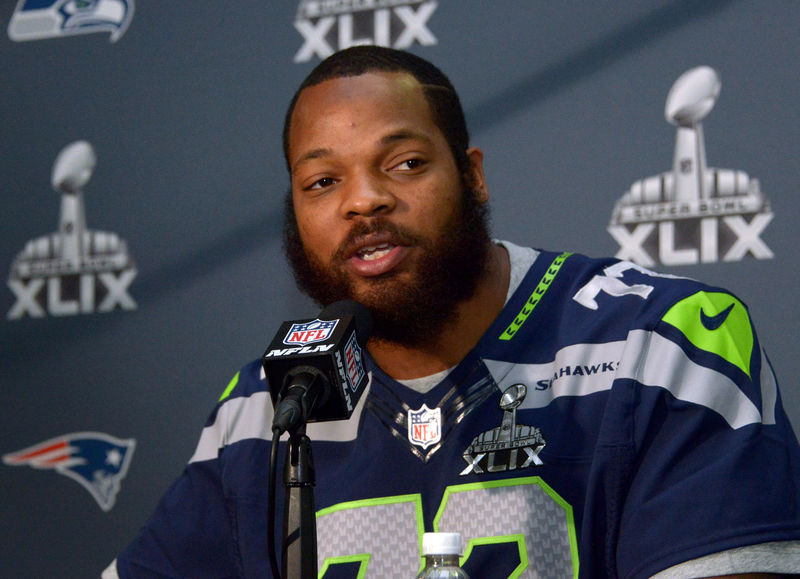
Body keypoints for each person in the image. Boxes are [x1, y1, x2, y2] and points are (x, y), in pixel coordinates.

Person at [104, 46, 800, 578]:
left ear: (472, 175)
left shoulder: (660, 344)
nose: (364, 200)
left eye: (404, 163)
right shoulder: (265, 407)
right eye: (323, 181)